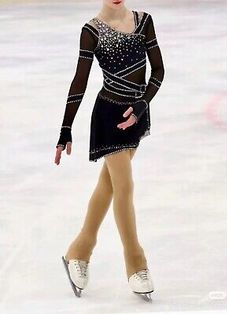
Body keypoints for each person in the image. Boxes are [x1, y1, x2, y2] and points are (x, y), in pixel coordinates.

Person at [55, 0, 165, 298]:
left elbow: (158, 71)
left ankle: (79, 251)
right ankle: (136, 262)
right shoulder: (91, 31)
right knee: (125, 186)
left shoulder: (144, 22)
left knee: (109, 185)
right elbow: (79, 82)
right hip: (108, 117)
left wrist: (142, 105)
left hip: (136, 115)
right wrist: (66, 128)